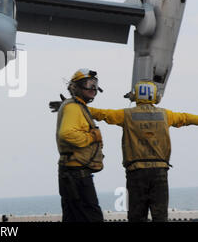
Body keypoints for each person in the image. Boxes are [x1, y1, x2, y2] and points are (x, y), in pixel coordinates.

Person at [53, 80, 198, 222]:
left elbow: (102, 114)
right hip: (160, 172)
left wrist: (74, 107)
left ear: (135, 96)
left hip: (136, 173)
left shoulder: (126, 115)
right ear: (156, 96)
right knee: (160, 216)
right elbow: (186, 118)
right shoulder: (166, 115)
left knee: (136, 215)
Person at [53, 68, 105, 222]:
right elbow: (66, 133)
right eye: (88, 84)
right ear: (76, 87)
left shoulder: (77, 106)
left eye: (95, 84)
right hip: (77, 176)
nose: (93, 89)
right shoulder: (73, 108)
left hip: (71, 174)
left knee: (73, 217)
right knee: (91, 216)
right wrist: (91, 137)